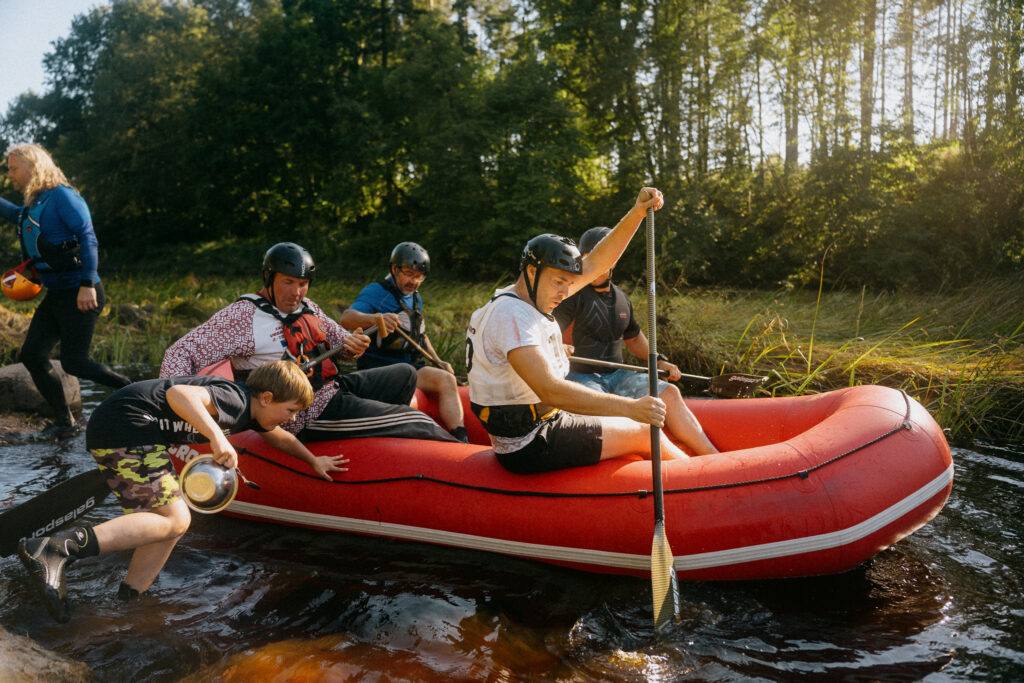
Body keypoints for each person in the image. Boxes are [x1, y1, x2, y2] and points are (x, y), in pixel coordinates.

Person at [18, 360, 344, 623]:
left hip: (123, 427)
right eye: (291, 411)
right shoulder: (237, 399)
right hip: (127, 426)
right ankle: (56, 549)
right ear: (267, 398)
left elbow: (277, 436)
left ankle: (130, 598)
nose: (292, 419)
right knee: (177, 519)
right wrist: (218, 438)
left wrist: (313, 460)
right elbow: (179, 394)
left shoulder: (254, 411)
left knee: (167, 526)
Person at [465, 188, 693, 475]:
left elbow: (598, 262)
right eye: (559, 282)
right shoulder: (512, 315)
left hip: (542, 424)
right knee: (644, 431)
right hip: (529, 443)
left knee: (636, 427)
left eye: (568, 283)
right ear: (532, 271)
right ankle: (704, 476)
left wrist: (637, 212)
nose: (565, 292)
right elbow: (550, 390)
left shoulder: (524, 298)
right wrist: (631, 408)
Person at [160, 242, 456, 443]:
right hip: (304, 413)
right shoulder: (243, 316)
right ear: (269, 279)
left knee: (404, 375)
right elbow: (181, 351)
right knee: (415, 420)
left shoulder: (309, 307)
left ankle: (378, 436)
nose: (296, 292)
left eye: (302, 284)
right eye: (287, 282)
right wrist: (181, 412)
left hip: (332, 390)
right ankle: (454, 450)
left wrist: (355, 345)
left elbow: (343, 345)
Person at [1, 143, 132, 440]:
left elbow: (88, 238)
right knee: (32, 355)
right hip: (57, 294)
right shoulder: (36, 203)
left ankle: (135, 390)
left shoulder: (62, 196)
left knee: (75, 362)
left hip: (81, 291)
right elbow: (17, 216)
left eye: (13, 168)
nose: (10, 174)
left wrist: (87, 284)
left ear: (32, 167)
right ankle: (65, 420)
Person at [554, 226, 718, 455]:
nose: (596, 263)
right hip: (580, 376)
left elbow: (634, 338)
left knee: (670, 393)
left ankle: (713, 457)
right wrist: (556, 346)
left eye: (605, 256)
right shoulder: (569, 294)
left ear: (614, 259)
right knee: (604, 408)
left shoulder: (621, 297)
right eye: (589, 257)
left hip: (618, 375)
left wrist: (660, 361)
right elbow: (548, 330)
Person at [339, 242, 468, 442]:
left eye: (418, 276)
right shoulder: (376, 292)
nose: (413, 281)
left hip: (412, 367)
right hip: (381, 370)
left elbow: (420, 336)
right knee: (411, 398)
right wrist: (376, 319)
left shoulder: (416, 297)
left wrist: (437, 360)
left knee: (447, 379)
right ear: (394, 269)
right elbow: (347, 318)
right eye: (408, 273)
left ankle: (460, 439)